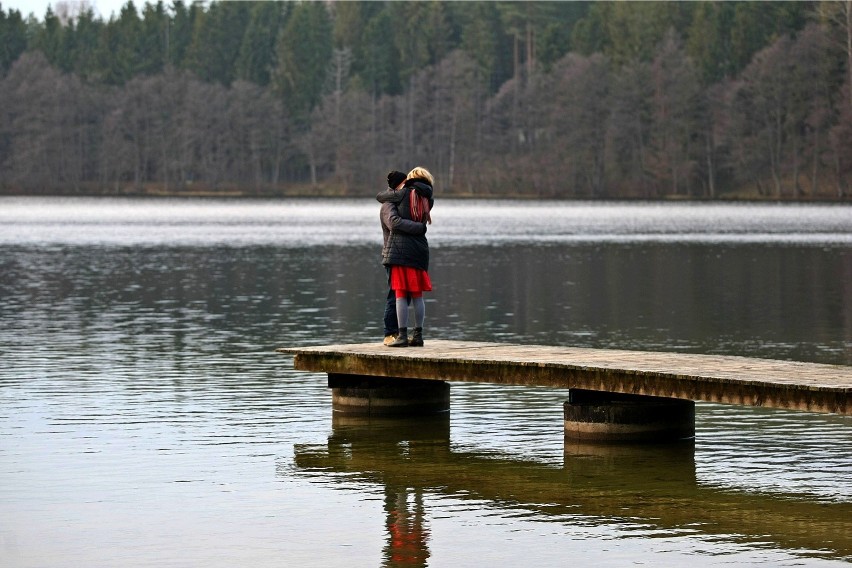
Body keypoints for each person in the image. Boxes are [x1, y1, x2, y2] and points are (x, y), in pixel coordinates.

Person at [377, 167, 434, 347]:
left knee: (400, 294)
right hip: (416, 251)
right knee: (411, 295)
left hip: (399, 252)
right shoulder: (427, 199)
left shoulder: (399, 197)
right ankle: (405, 334)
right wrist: (420, 228)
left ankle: (399, 334)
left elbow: (383, 201)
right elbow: (395, 221)